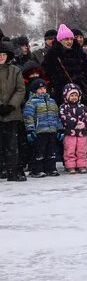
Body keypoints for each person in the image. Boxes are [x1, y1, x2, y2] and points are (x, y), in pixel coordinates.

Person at [23, 77, 61, 177]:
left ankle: (51, 168)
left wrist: (60, 128)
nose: (42, 91)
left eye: (44, 88)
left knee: (51, 152)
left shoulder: (52, 101)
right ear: (35, 90)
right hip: (39, 131)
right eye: (40, 89)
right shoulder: (31, 102)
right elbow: (28, 116)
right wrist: (30, 129)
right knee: (39, 152)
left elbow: (57, 116)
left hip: (51, 130)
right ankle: (36, 169)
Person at [0, 43, 24, 181]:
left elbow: (20, 89)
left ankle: (12, 170)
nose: (1, 57)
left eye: (3, 55)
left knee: (12, 144)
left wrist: (11, 105)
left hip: (12, 113)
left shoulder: (15, 70)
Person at [58, 83, 87, 174]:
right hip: (69, 133)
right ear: (66, 96)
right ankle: (70, 165)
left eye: (76, 95)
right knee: (70, 150)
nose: (74, 97)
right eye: (71, 95)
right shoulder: (63, 107)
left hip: (81, 133)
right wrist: (74, 123)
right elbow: (63, 117)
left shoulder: (83, 107)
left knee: (82, 150)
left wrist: (84, 123)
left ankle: (81, 165)